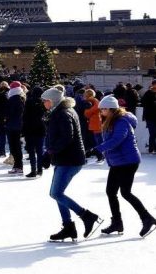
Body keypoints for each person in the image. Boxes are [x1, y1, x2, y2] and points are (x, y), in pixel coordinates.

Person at [42, 86, 102, 242]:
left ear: (53, 101)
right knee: (58, 194)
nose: (43, 103)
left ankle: (86, 216)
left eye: (45, 101)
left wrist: (50, 152)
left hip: (70, 159)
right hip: (65, 158)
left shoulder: (62, 114)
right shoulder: (59, 112)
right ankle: (68, 227)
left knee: (56, 193)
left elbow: (67, 137)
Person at [91, 96, 156, 237]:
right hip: (118, 162)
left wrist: (99, 149)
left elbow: (116, 140)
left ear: (113, 109)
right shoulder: (111, 120)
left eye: (105, 108)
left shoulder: (121, 121)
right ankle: (117, 223)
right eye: (101, 108)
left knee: (125, 192)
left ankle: (147, 218)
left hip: (128, 162)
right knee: (111, 191)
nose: (102, 111)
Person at [23, 86, 47, 178]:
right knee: (40, 150)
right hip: (41, 128)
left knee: (32, 151)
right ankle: (40, 169)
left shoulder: (29, 101)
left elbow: (25, 116)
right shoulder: (43, 102)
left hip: (30, 129)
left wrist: (23, 130)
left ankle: (33, 170)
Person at [5, 82, 26, 174]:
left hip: (12, 126)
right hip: (19, 125)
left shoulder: (12, 99)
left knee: (14, 147)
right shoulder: (22, 98)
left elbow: (9, 113)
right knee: (17, 147)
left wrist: (5, 118)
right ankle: (18, 166)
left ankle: (18, 166)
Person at [82, 89, 105, 162]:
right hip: (95, 123)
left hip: (95, 123)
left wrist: (86, 112)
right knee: (97, 140)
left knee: (98, 141)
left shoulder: (92, 101)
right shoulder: (94, 100)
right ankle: (100, 155)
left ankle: (101, 156)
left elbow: (95, 108)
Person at [140, 80, 156, 154]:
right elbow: (143, 103)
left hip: (151, 116)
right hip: (150, 117)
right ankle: (151, 149)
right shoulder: (148, 93)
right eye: (154, 84)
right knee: (152, 133)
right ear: (152, 85)